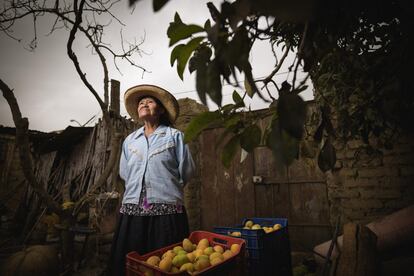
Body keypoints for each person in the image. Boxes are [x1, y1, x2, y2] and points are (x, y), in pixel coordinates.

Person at [109, 84, 195, 276]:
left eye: (149, 101)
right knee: (132, 264)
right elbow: (125, 173)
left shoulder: (175, 136)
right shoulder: (130, 141)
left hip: (167, 211)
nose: (144, 104)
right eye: (141, 102)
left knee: (167, 263)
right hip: (133, 210)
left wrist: (168, 189)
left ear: (161, 110)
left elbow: (186, 171)